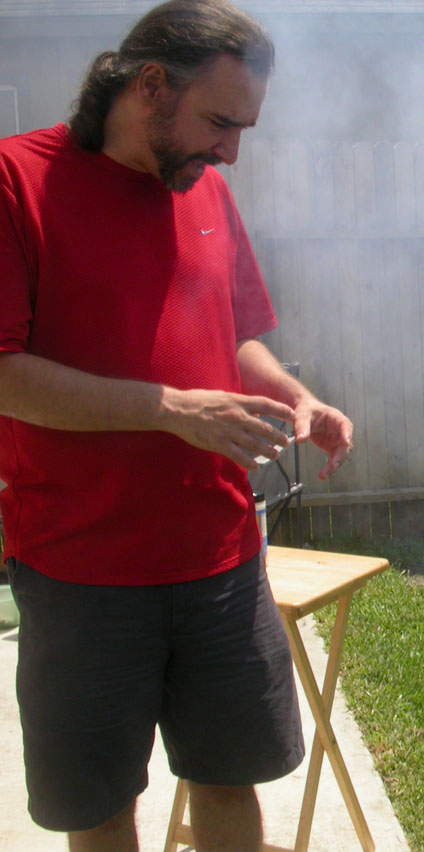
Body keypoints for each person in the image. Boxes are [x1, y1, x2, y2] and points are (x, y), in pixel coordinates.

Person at [0, 2, 353, 850]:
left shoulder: (207, 191)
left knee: (231, 785)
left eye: (244, 129)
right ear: (150, 85)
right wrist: (173, 410)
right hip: (82, 568)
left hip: (221, 562)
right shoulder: (18, 181)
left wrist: (293, 397)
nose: (231, 149)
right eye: (220, 121)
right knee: (100, 811)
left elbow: (238, 340)